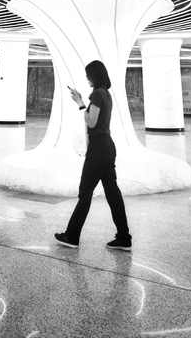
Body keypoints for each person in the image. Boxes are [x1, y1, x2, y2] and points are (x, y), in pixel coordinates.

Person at [54, 59, 132, 251]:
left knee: (85, 193)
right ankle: (124, 237)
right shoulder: (106, 93)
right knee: (112, 193)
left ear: (95, 75)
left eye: (88, 75)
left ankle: (71, 236)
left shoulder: (98, 94)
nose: (87, 78)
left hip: (99, 149)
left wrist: (80, 103)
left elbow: (91, 122)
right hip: (107, 146)